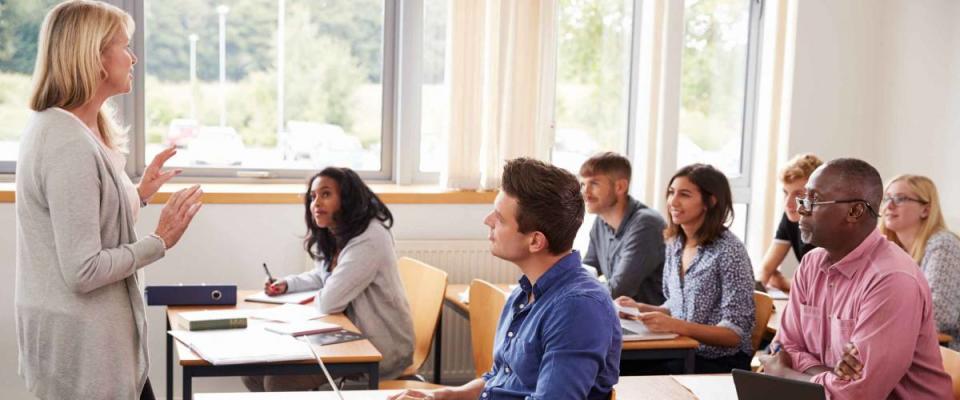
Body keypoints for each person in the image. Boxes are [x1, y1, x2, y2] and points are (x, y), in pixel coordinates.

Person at [15, 1, 203, 398]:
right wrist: (160, 241)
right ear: (94, 57)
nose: (133, 58)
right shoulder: (67, 143)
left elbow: (90, 217)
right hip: (84, 356)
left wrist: (138, 194)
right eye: (125, 46)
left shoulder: (77, 129)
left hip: (97, 350)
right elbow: (83, 269)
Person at [390, 158, 621, 400]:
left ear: (535, 241)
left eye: (499, 218)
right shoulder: (524, 292)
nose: (487, 221)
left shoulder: (578, 308)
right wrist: (444, 396)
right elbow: (501, 379)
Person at [759, 159, 953, 399]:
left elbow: (861, 393)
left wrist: (784, 375)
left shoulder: (892, 279)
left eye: (814, 200)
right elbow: (784, 347)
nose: (801, 209)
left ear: (855, 211)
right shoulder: (811, 264)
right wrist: (830, 377)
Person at [243, 167, 414, 391]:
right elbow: (323, 276)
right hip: (346, 335)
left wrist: (318, 295)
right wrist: (288, 284)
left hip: (378, 346)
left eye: (325, 194)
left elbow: (329, 301)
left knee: (280, 381)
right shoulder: (338, 231)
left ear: (347, 198)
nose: (316, 203)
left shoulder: (370, 237)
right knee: (252, 372)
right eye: (313, 197)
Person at [616, 163, 755, 373]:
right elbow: (677, 305)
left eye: (685, 194)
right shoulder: (675, 244)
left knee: (619, 369)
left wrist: (676, 326)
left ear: (710, 201)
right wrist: (641, 309)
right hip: (681, 352)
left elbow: (734, 334)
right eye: (671, 193)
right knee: (607, 363)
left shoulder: (729, 251)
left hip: (716, 362)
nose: (673, 201)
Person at [879, 174, 960, 350]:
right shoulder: (890, 249)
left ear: (925, 210)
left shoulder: (943, 244)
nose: (889, 205)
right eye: (886, 198)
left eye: (900, 199)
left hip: (948, 351)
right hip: (910, 344)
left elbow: (940, 314)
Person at [580, 152, 666, 304]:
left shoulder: (646, 224)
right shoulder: (601, 221)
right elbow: (587, 271)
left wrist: (573, 294)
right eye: (583, 184)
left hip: (645, 324)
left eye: (594, 184)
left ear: (620, 186)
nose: (585, 192)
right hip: (621, 318)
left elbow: (619, 290)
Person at [758, 154, 823, 292]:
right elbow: (765, 270)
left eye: (798, 194)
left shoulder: (829, 226)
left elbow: (819, 286)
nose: (788, 203)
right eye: (785, 193)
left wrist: (784, 283)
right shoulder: (791, 216)